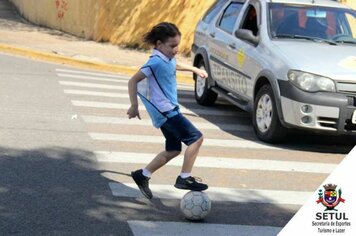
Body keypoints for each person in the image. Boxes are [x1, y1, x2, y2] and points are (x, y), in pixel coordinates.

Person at [127, 22, 209, 199]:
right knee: (196, 138)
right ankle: (184, 177)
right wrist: (134, 105)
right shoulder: (155, 62)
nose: (176, 49)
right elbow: (133, 81)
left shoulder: (166, 58)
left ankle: (142, 175)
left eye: (177, 45)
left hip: (167, 112)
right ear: (158, 44)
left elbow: (174, 65)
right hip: (167, 112)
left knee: (173, 150)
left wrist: (194, 69)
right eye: (172, 46)